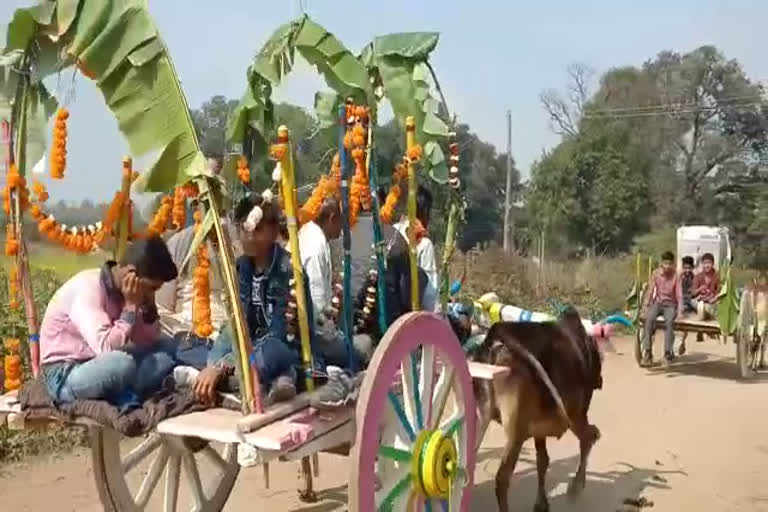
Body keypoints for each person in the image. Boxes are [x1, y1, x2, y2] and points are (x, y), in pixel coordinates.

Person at [192, 192, 314, 406]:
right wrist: (214, 364)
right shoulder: (240, 268)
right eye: (242, 229)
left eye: (257, 230)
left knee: (272, 354)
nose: (248, 236)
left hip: (282, 347)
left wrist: (224, 366)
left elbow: (280, 334)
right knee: (215, 342)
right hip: (250, 350)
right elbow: (235, 325)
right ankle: (230, 378)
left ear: (275, 230)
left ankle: (238, 380)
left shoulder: (289, 271)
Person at [39, 236, 179, 405]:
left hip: (102, 364)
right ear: (131, 275)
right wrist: (129, 308)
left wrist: (149, 308)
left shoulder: (128, 292)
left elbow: (147, 340)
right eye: (151, 288)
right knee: (122, 364)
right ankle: (130, 390)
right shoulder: (88, 287)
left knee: (169, 346)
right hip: (66, 373)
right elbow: (106, 348)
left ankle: (125, 390)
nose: (151, 295)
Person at [155, 216, 237, 369]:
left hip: (227, 334)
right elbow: (163, 306)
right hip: (183, 333)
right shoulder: (180, 242)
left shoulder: (239, 237)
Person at [393, 185, 438, 312]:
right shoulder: (424, 243)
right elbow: (430, 294)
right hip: (411, 314)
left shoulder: (392, 232)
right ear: (425, 211)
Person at [641, 251, 683, 366]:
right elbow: (650, 291)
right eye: (665, 263)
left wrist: (680, 312)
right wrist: (645, 306)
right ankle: (648, 353)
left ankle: (667, 353)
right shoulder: (656, 274)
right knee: (648, 320)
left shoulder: (676, 276)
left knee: (669, 322)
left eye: (669, 264)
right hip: (658, 303)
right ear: (661, 263)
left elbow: (679, 294)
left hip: (670, 305)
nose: (667, 266)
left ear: (673, 264)